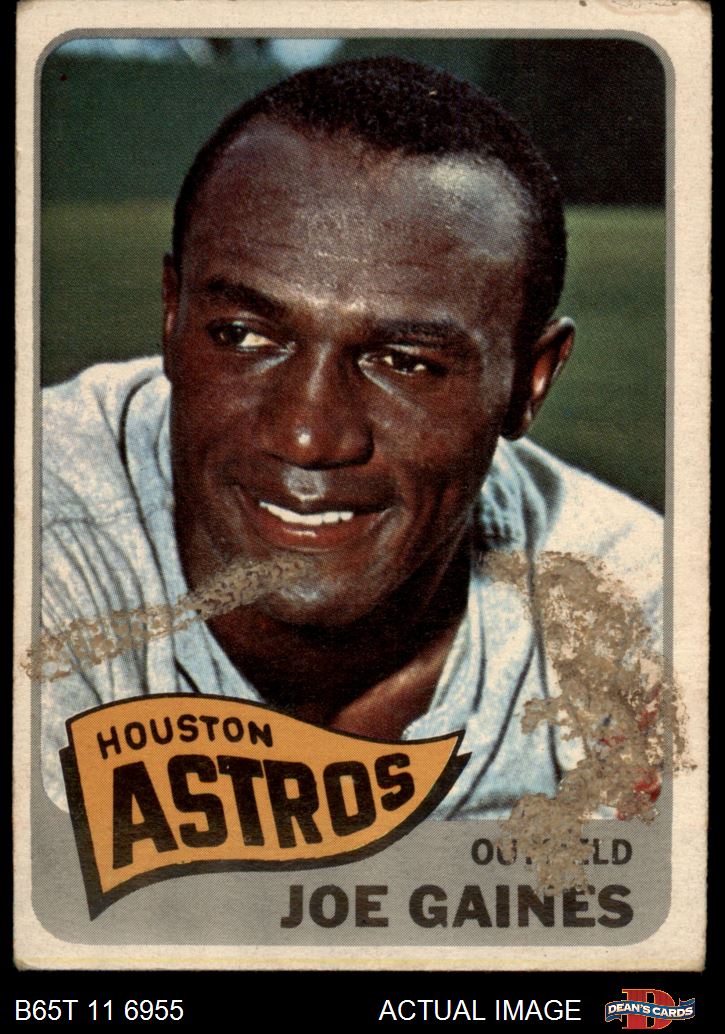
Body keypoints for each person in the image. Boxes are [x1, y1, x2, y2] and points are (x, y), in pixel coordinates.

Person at [41, 56, 662, 815]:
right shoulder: (41, 533)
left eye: (405, 363)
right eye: (241, 335)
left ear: (528, 383)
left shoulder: (635, 609)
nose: (307, 436)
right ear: (173, 317)